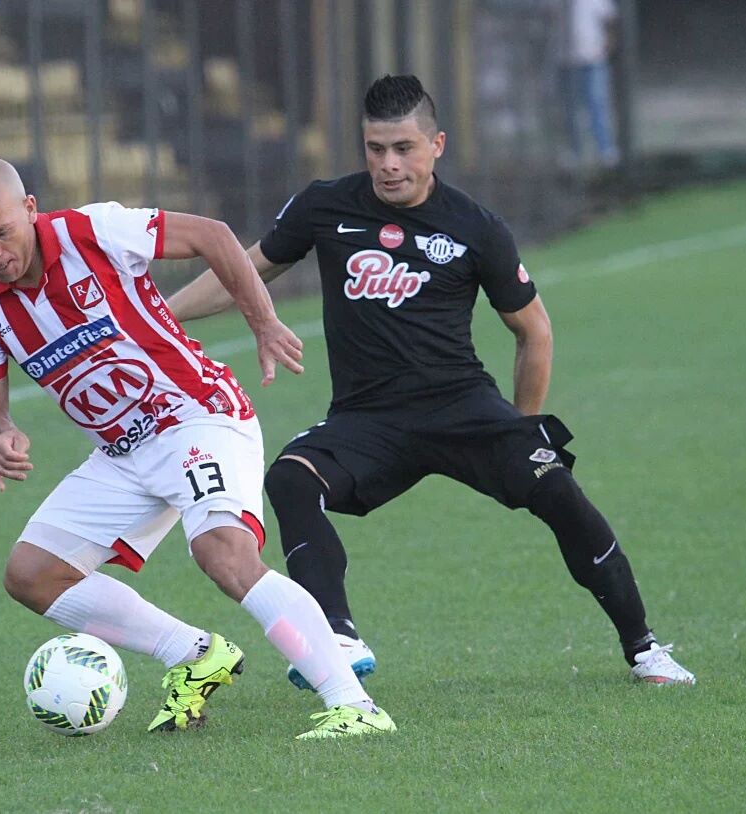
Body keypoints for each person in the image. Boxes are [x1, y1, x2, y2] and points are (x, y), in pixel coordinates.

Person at [167, 75, 695, 689]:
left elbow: (535, 332)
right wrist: (159, 314)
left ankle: (645, 649)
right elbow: (246, 266)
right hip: (368, 420)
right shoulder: (326, 205)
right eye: (375, 149)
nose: (388, 165)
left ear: (437, 144)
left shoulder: (476, 226)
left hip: (463, 408)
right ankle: (335, 635)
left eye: (404, 149)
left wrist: (526, 431)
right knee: (290, 478)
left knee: (558, 492)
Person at [0, 156, 395, 739]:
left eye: (1, 231)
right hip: (122, 453)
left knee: (224, 554)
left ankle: (352, 704)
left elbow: (213, 236)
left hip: (196, 417)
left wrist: (262, 320)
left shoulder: (94, 232)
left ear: (30, 209)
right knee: (32, 575)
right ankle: (194, 655)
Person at [557, 0, 620, 167]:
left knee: (597, 103)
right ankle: (575, 150)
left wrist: (609, 43)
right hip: (567, 60)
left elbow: (609, 20)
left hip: (592, 58)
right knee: (571, 109)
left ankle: (604, 149)